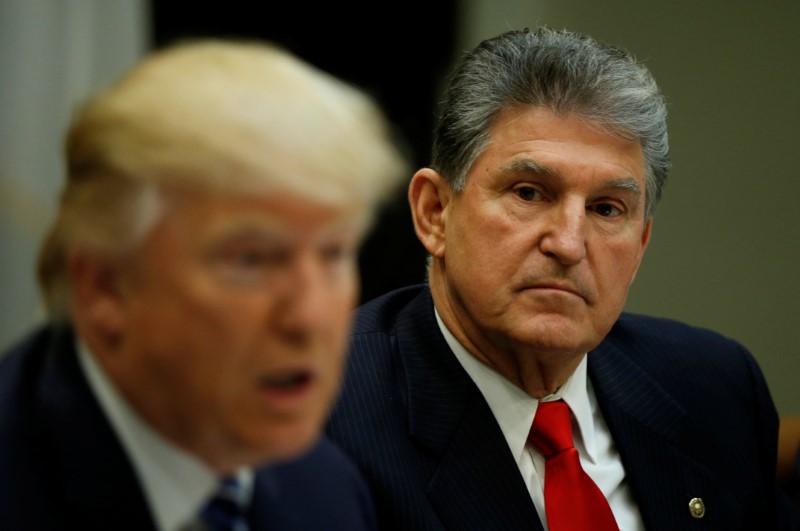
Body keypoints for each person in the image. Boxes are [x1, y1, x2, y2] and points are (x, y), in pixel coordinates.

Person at [326, 27, 798, 531]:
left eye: (606, 208)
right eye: (529, 193)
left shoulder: (715, 388)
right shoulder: (320, 419)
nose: (569, 244)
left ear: (640, 246)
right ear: (435, 213)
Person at [0, 39, 405, 530]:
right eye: (252, 261)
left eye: (334, 253)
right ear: (106, 288)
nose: (313, 317)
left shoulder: (325, 489)